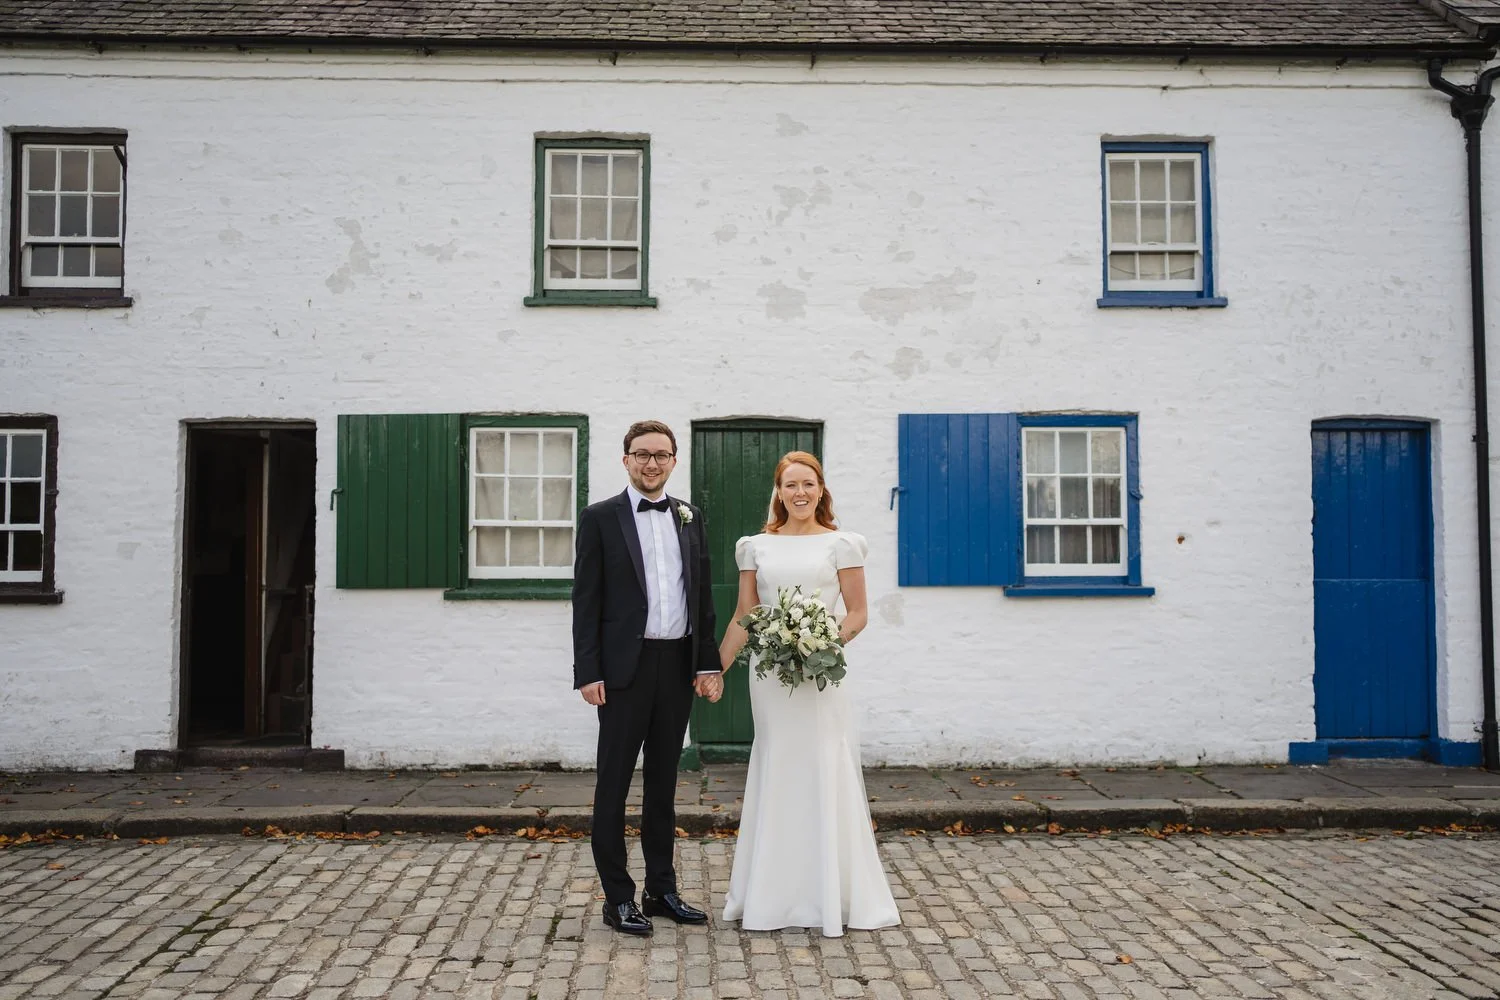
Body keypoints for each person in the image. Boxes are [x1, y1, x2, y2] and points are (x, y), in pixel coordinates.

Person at [713, 451, 902, 937]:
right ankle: (771, 896)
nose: (800, 493)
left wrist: (820, 645)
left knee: (822, 764)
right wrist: (715, 668)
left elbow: (857, 613)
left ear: (821, 490)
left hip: (820, 678)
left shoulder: (843, 544)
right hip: (770, 678)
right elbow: (744, 614)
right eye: (791, 485)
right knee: (777, 764)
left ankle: (831, 895)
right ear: (778, 492)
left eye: (808, 484)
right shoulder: (755, 547)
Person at [571, 420, 722, 936]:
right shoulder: (599, 518)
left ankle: (661, 890)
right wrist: (588, 670)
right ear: (626, 460)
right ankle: (617, 898)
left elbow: (701, 595)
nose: (651, 463)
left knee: (663, 786)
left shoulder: (690, 517)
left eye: (661, 455)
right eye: (642, 454)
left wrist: (706, 662)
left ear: (674, 461)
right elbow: (585, 600)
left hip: (676, 666)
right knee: (613, 785)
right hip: (622, 672)